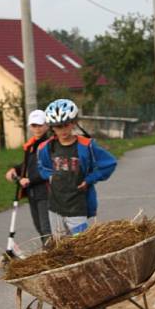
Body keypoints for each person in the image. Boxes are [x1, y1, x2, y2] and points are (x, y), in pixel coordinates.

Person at [37, 99, 117, 238]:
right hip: (55, 207)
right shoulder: (46, 148)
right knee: (61, 248)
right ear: (52, 127)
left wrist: (90, 179)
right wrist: (50, 176)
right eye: (57, 126)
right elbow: (42, 166)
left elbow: (109, 163)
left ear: (73, 123)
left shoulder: (87, 145)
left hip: (77, 207)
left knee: (81, 246)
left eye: (66, 125)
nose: (62, 130)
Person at [5, 109, 51, 245]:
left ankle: (53, 255)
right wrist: (15, 170)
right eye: (34, 125)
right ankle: (49, 252)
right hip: (32, 192)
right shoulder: (30, 146)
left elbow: (48, 168)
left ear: (47, 126)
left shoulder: (49, 145)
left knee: (46, 227)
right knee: (39, 227)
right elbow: (27, 165)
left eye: (40, 125)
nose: (37, 129)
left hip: (46, 191)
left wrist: (30, 179)